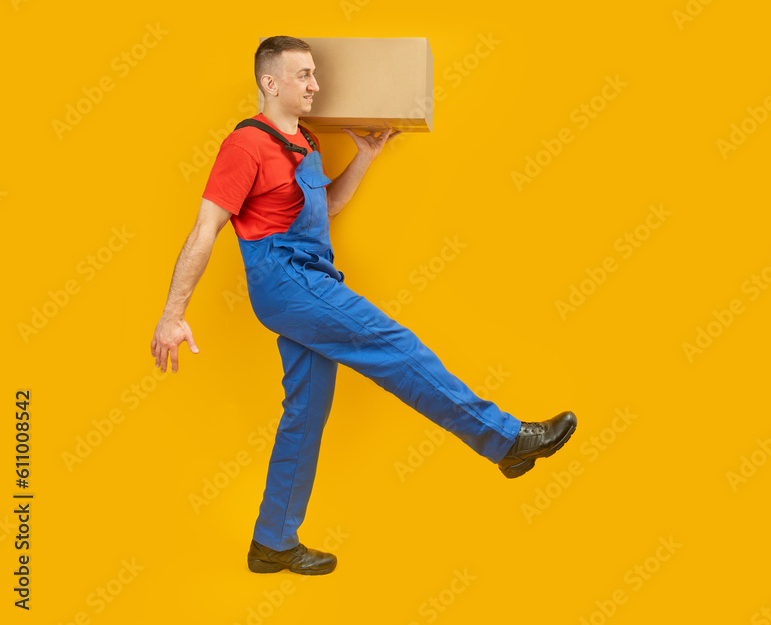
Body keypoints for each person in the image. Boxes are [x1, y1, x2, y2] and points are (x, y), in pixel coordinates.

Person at [150, 35, 577, 576]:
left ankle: (272, 542)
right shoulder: (245, 146)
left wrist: (366, 158)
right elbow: (206, 226)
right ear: (269, 82)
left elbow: (324, 208)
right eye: (303, 75)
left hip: (310, 276)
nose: (315, 85)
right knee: (396, 347)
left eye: (315, 75)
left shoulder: (304, 141)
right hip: (287, 280)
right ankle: (506, 440)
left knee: (304, 414)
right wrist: (172, 313)